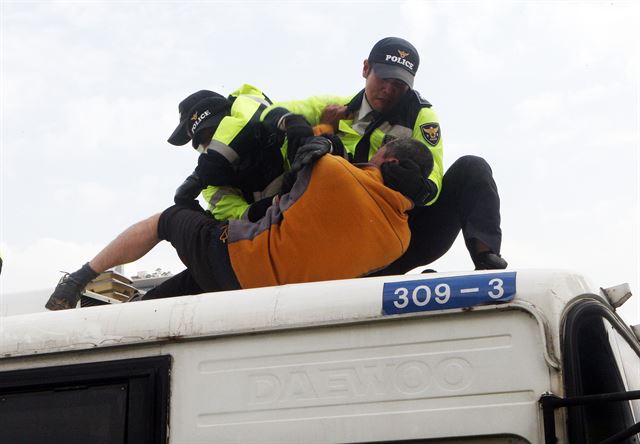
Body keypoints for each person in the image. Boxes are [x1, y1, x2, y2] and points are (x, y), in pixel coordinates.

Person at [45, 137, 433, 310]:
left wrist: (325, 137)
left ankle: (77, 279)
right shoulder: (399, 239)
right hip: (261, 299)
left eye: (379, 153)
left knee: (168, 220)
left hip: (234, 261)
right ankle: (139, 312)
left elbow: (310, 150)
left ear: (391, 162)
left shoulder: (333, 171)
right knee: (194, 280)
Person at [261, 37, 507, 273]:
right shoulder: (332, 108)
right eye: (384, 78)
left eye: (399, 84)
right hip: (342, 233)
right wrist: (292, 122)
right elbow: (266, 111)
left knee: (472, 168)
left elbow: (435, 173)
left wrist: (421, 188)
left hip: (404, 232)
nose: (389, 90)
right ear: (366, 68)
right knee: (325, 150)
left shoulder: (421, 116)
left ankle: (486, 260)